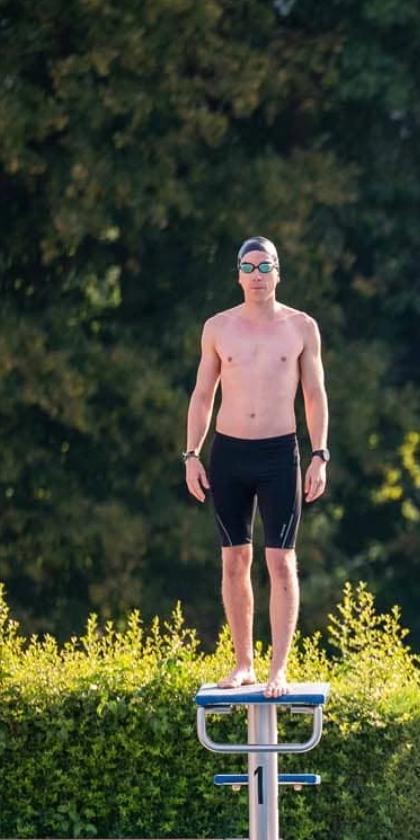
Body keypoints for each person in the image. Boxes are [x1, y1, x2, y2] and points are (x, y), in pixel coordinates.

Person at [183, 237, 330, 698]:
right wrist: (191, 454)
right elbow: (203, 394)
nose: (258, 274)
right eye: (250, 266)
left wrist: (320, 454)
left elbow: (315, 395)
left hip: (278, 455)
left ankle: (278, 670)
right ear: (239, 275)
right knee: (235, 560)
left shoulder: (301, 327)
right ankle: (244, 663)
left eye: (266, 266)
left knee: (281, 561)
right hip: (228, 454)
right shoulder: (218, 328)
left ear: (278, 272)